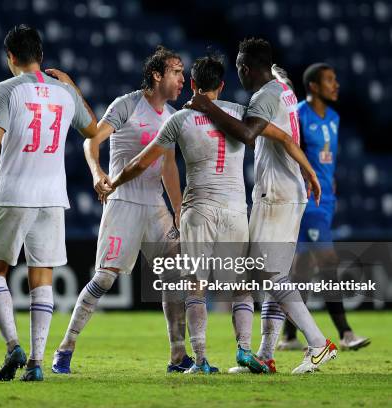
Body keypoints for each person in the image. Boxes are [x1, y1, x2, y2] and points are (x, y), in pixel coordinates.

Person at [103, 52, 313, 374]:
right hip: (234, 210)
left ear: (193, 84)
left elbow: (142, 162)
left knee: (195, 285)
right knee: (241, 285)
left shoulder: (180, 119)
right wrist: (307, 170)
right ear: (223, 84)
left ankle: (200, 360)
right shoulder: (240, 113)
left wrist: (113, 182)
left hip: (198, 209)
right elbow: (283, 137)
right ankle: (244, 351)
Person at [186, 38, 337, 374]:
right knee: (264, 273)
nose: (239, 72)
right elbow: (281, 137)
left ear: (246, 68)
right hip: (286, 190)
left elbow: (247, 134)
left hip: (277, 193)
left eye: (240, 66)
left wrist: (208, 107)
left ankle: (317, 343)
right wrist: (308, 170)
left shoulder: (265, 96)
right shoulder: (284, 90)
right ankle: (267, 354)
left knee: (269, 272)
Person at [0, 24, 98, 382]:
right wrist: (71, 85)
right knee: (43, 278)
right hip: (53, 198)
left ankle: (13, 345)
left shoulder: (5, 90)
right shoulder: (64, 93)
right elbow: (93, 129)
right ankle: (37, 361)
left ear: (10, 58)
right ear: (41, 55)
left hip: (13, 194)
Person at [50, 46, 187, 374]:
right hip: (123, 201)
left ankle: (178, 357)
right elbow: (91, 140)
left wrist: (178, 210)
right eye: (177, 71)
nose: (183, 78)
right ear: (157, 75)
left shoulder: (171, 117)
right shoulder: (128, 104)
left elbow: (168, 166)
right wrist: (99, 174)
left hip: (155, 205)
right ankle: (65, 347)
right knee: (105, 279)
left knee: (176, 277)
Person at [277, 63, 370, 351]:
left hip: (327, 199)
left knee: (303, 270)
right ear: (314, 87)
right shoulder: (300, 116)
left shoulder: (334, 117)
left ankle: (289, 337)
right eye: (330, 80)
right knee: (328, 262)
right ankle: (345, 332)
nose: (336, 85)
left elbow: (327, 158)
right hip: (309, 202)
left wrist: (331, 182)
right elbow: (291, 155)